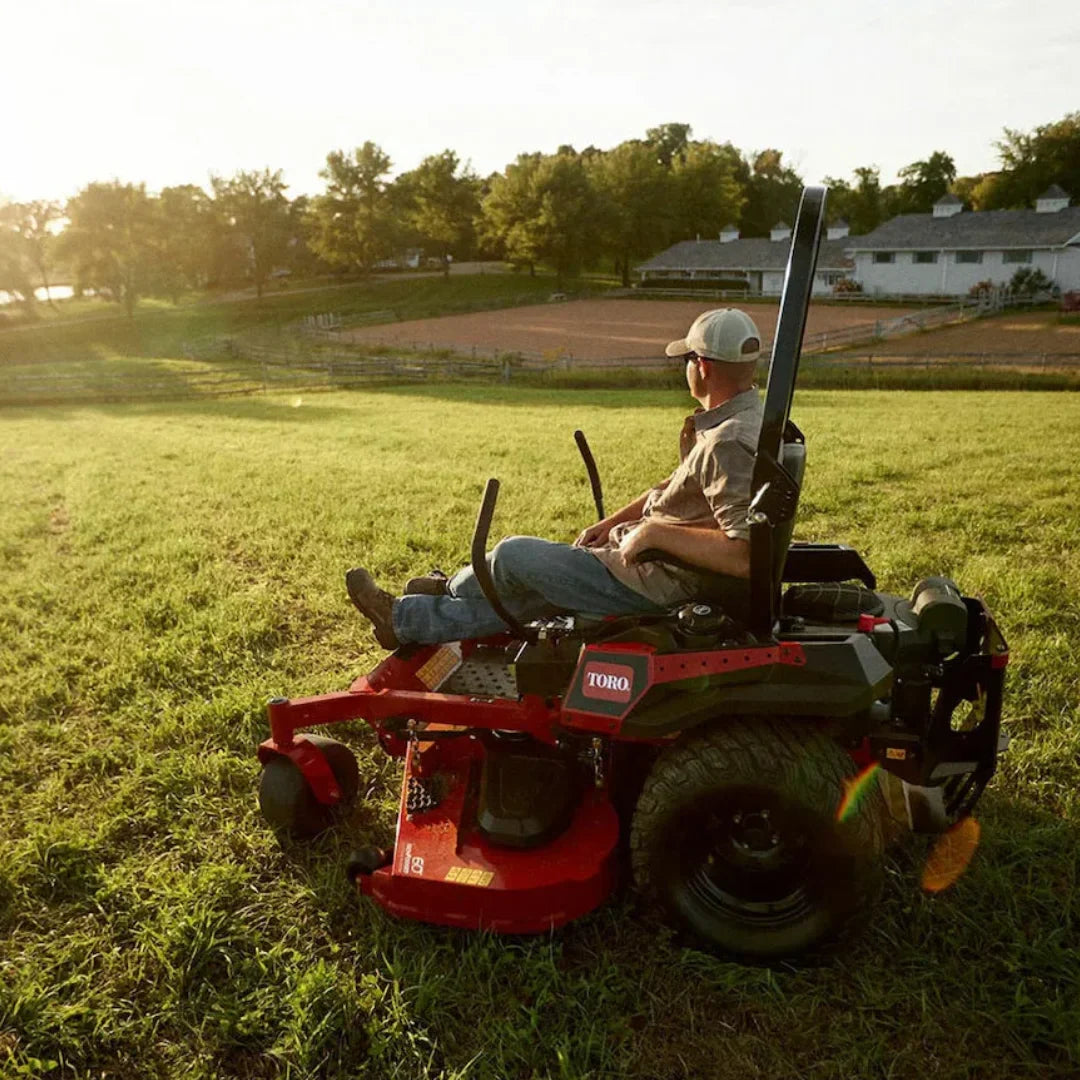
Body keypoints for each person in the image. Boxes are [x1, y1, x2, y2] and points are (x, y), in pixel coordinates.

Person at [346, 308, 765, 649]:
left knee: (515, 556)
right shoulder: (744, 421)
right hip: (658, 566)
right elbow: (674, 491)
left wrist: (656, 533)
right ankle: (405, 618)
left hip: (663, 582)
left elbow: (744, 554)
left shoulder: (727, 442)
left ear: (703, 366)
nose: (685, 368)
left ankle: (448, 589)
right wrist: (609, 524)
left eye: (687, 359)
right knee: (535, 593)